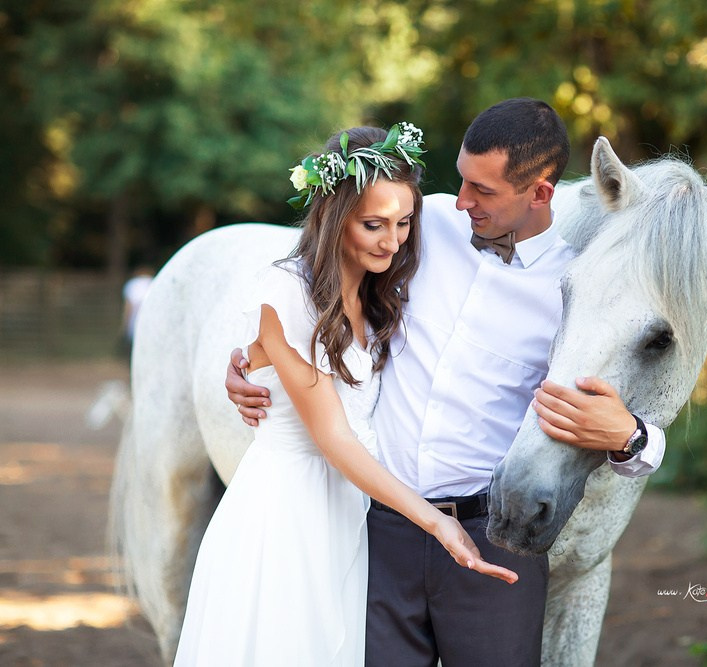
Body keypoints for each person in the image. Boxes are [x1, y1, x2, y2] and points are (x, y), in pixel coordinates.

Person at [226, 99, 666, 666]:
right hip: (377, 534)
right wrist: (249, 359)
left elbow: (643, 401)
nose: (461, 201)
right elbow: (309, 280)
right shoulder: (417, 220)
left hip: (494, 539)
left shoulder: (578, 285)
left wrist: (631, 435)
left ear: (539, 193)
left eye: (483, 191)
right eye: (462, 180)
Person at [174, 124, 515, 666]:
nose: (393, 240)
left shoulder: (380, 290)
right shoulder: (287, 290)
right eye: (374, 225)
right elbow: (333, 436)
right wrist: (434, 520)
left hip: (350, 511)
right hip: (288, 514)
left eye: (404, 223)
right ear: (334, 218)